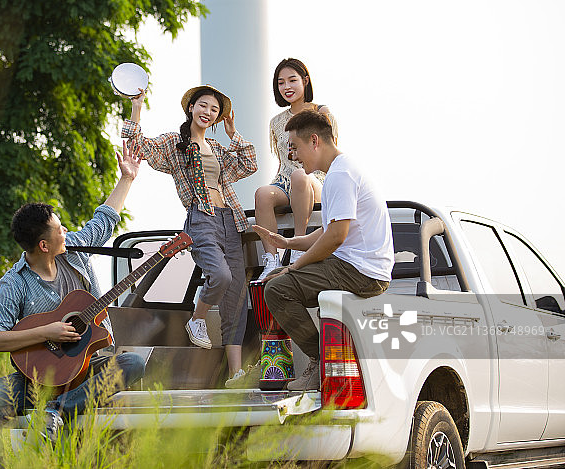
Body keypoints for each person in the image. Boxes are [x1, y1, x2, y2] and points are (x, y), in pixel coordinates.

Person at [0, 141, 146, 441]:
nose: (66, 231)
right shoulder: (15, 282)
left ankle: (54, 412)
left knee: (133, 363)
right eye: (59, 228)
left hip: (85, 370)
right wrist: (47, 332)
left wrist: (127, 177)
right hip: (37, 379)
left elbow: (104, 219)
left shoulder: (74, 251)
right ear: (43, 245)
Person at [122, 85, 257, 386]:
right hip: (201, 218)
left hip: (231, 221)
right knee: (220, 276)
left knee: (236, 297)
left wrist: (233, 132)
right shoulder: (176, 143)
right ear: (191, 108)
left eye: (215, 110)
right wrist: (137, 108)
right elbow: (139, 146)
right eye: (204, 106)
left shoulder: (219, 149)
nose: (208, 113)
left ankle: (234, 373)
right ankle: (197, 319)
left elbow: (249, 163)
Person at [252, 109, 393, 391]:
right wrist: (289, 243)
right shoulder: (339, 171)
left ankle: (322, 362)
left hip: (361, 271)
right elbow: (328, 231)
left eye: (294, 147)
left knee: (278, 289)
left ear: (314, 141)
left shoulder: (341, 176)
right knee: (277, 277)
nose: (291, 156)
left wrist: (295, 266)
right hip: (353, 266)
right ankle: (324, 360)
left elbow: (336, 238)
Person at [254, 58, 339, 279]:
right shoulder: (276, 122)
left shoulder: (321, 112)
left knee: (300, 175)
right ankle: (271, 260)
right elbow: (283, 161)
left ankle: (296, 247)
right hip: (285, 181)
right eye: (281, 82)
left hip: (315, 179)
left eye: (292, 80)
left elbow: (330, 151)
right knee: (263, 193)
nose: (287, 87)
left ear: (305, 81)